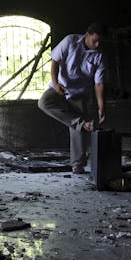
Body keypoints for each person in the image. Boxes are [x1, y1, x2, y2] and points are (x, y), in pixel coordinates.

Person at [38, 22, 107, 174]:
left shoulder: (99, 56)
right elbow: (55, 61)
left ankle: (78, 165)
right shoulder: (70, 41)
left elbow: (99, 83)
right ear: (87, 35)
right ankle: (80, 123)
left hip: (80, 94)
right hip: (61, 87)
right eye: (95, 40)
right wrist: (55, 84)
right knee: (44, 102)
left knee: (78, 124)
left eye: (100, 41)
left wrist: (101, 106)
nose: (97, 44)